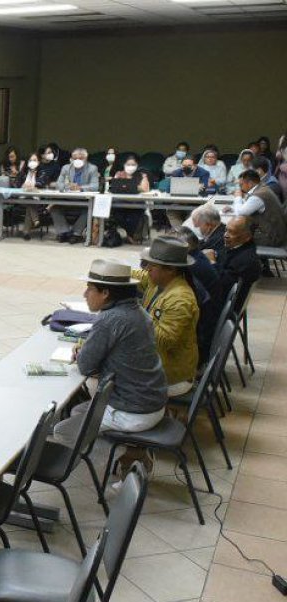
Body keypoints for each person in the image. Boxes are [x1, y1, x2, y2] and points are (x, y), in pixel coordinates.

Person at [54, 259, 168, 475]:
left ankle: (132, 457)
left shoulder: (109, 319)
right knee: (79, 410)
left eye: (89, 289)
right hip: (153, 400)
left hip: (134, 411)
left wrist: (84, 354)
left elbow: (86, 366)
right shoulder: (138, 311)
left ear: (105, 293)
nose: (85, 294)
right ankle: (134, 451)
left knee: (60, 431)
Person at [134, 237, 199, 397]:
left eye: (152, 265)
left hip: (171, 377)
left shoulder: (180, 299)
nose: (147, 268)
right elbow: (136, 275)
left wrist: (135, 312)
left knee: (102, 377)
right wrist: (110, 274)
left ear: (170, 269)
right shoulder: (157, 281)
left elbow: (165, 341)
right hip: (157, 363)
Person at [199, 217, 261, 357]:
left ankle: (197, 359)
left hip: (221, 309)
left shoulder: (246, 260)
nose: (225, 235)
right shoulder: (239, 248)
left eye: (231, 232)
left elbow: (220, 286)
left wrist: (212, 262)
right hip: (224, 301)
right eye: (226, 229)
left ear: (246, 237)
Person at [228, 169, 286, 249]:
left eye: (241, 185)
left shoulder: (259, 195)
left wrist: (238, 197)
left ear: (250, 183)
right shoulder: (262, 187)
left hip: (272, 238)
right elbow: (247, 206)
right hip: (275, 234)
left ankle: (240, 260)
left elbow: (240, 213)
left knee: (235, 237)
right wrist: (232, 207)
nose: (240, 188)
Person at [52, 147, 100, 243]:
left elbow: (95, 186)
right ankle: (64, 232)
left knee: (89, 210)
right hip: (67, 200)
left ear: (86, 159)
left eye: (80, 158)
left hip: (84, 201)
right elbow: (58, 184)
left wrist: (80, 188)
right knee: (54, 208)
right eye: (75, 158)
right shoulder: (66, 168)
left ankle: (76, 234)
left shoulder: (92, 168)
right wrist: (68, 186)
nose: (77, 160)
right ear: (71, 159)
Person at [108, 155, 152, 242]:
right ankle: (130, 234)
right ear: (124, 165)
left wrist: (133, 186)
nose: (130, 167)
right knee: (117, 215)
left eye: (133, 164)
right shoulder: (119, 174)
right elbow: (114, 187)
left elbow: (145, 189)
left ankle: (131, 235)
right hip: (119, 203)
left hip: (136, 203)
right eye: (128, 164)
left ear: (137, 165)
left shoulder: (142, 175)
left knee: (135, 215)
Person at [16, 151, 58, 239]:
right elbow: (17, 184)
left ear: (38, 162)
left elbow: (42, 182)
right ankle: (35, 220)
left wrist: (34, 185)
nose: (32, 162)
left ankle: (26, 232)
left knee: (30, 204)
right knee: (30, 203)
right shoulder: (23, 172)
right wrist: (23, 185)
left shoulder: (42, 171)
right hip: (22, 198)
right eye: (30, 160)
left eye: (34, 160)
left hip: (37, 200)